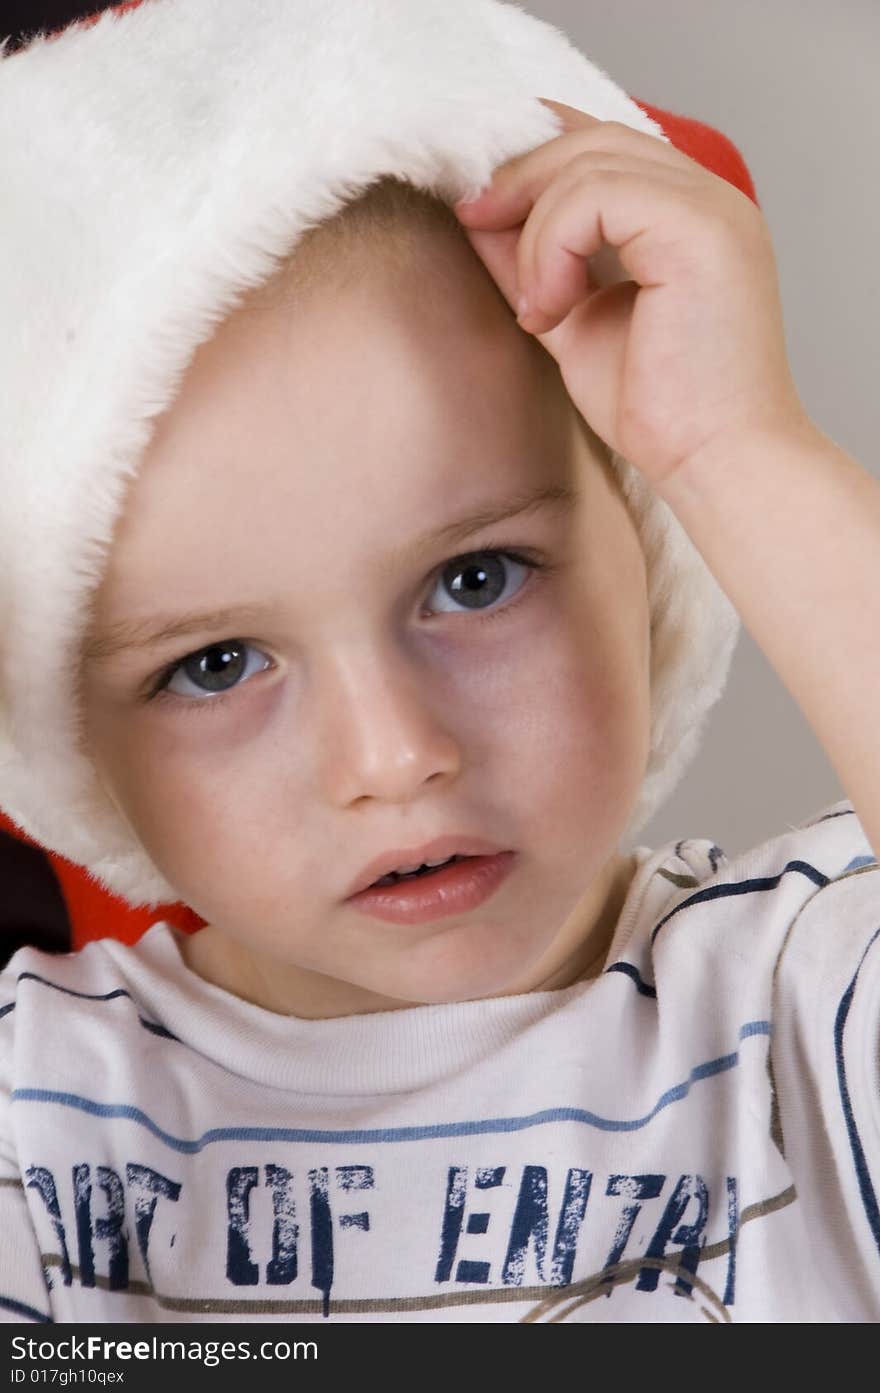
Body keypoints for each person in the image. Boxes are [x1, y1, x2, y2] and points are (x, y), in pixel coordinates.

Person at [0, 0, 877, 1324]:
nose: (394, 754)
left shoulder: (792, 994)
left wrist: (739, 448)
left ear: (644, 535)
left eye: (476, 579)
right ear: (70, 735)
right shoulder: (43, 1126)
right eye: (218, 661)